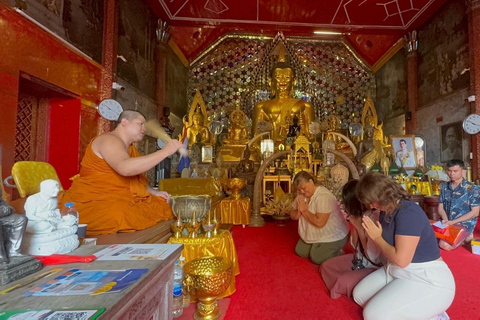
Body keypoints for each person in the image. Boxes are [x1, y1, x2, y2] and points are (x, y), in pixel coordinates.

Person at [60, 110, 184, 236]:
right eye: (140, 124)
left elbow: (136, 179)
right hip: (98, 198)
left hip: (121, 197)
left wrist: (155, 192)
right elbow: (125, 168)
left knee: (161, 206)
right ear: (124, 122)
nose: (144, 129)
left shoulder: (130, 148)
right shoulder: (108, 140)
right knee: (119, 213)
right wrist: (165, 152)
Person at [353, 172, 455, 320]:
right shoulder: (384, 211)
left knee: (373, 315)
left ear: (382, 196)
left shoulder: (408, 213)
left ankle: (434, 314)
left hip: (426, 277)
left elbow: (402, 260)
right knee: (360, 296)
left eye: (372, 201)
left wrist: (377, 237)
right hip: (395, 270)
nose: (371, 206)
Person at [320, 180, 385, 299]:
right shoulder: (360, 215)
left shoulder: (375, 217)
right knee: (326, 266)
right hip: (360, 260)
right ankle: (349, 285)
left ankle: (347, 286)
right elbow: (355, 246)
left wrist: (360, 227)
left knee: (343, 281)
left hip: (374, 266)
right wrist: (356, 224)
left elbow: (372, 256)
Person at [289, 171, 349, 265]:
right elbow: (292, 212)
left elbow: (319, 223)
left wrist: (304, 211)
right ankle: (319, 247)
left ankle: (339, 253)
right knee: (300, 251)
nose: (302, 192)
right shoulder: (301, 195)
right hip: (313, 234)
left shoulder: (323, 196)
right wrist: (298, 213)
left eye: (304, 188)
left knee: (317, 258)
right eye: (299, 190)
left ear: (311, 181)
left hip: (332, 235)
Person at [252, 55, 315, 142]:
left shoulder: (305, 106)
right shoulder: (261, 107)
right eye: (278, 77)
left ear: (294, 81)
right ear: (271, 82)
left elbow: (311, 137)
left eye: (287, 77)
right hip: (269, 150)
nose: (282, 80)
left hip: (296, 150)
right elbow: (255, 139)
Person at [438, 159, 480, 250]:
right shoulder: (444, 187)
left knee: (444, 245)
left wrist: (453, 222)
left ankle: (466, 236)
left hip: (463, 224)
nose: (451, 173)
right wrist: (445, 220)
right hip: (447, 222)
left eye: (455, 171)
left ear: (463, 171)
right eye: (449, 171)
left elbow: (475, 212)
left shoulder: (472, 188)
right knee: (426, 239)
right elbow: (440, 207)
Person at [0, 189, 27, 264]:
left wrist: (8, 209)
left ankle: (13, 251)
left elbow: (3, 203)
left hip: (2, 215)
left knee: (21, 219)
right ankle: (1, 256)